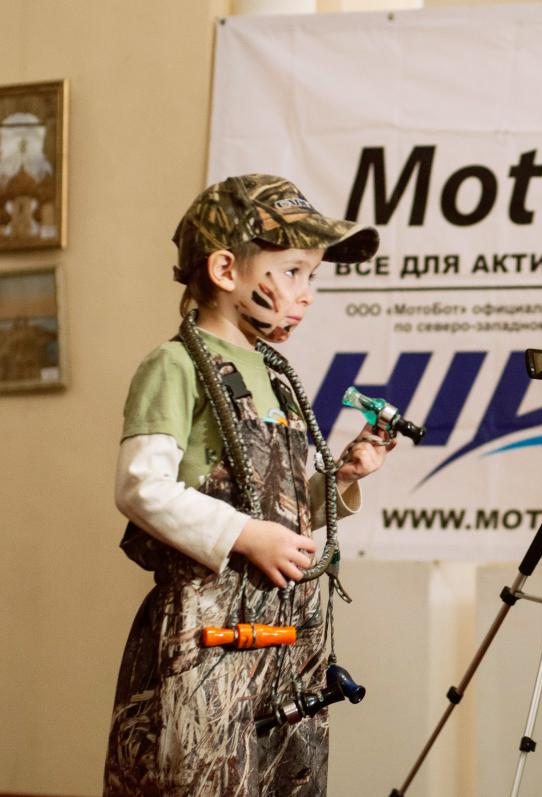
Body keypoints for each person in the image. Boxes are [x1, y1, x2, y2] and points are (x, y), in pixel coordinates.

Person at [104, 174, 393, 796]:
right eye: (292, 272)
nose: (307, 293)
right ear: (225, 269)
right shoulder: (175, 365)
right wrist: (244, 535)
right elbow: (141, 488)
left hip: (285, 641)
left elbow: (273, 511)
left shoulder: (274, 375)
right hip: (207, 643)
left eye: (313, 276)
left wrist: (338, 479)